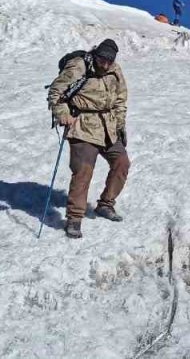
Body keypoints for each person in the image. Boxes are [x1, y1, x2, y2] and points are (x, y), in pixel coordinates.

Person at [47, 39, 130, 239]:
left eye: (110, 61)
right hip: (82, 124)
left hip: (107, 126)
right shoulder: (78, 66)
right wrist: (62, 114)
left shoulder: (115, 71)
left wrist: (119, 125)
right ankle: (74, 218)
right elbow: (55, 93)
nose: (106, 65)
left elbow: (120, 99)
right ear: (96, 55)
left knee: (122, 163)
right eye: (103, 60)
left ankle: (106, 204)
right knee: (83, 170)